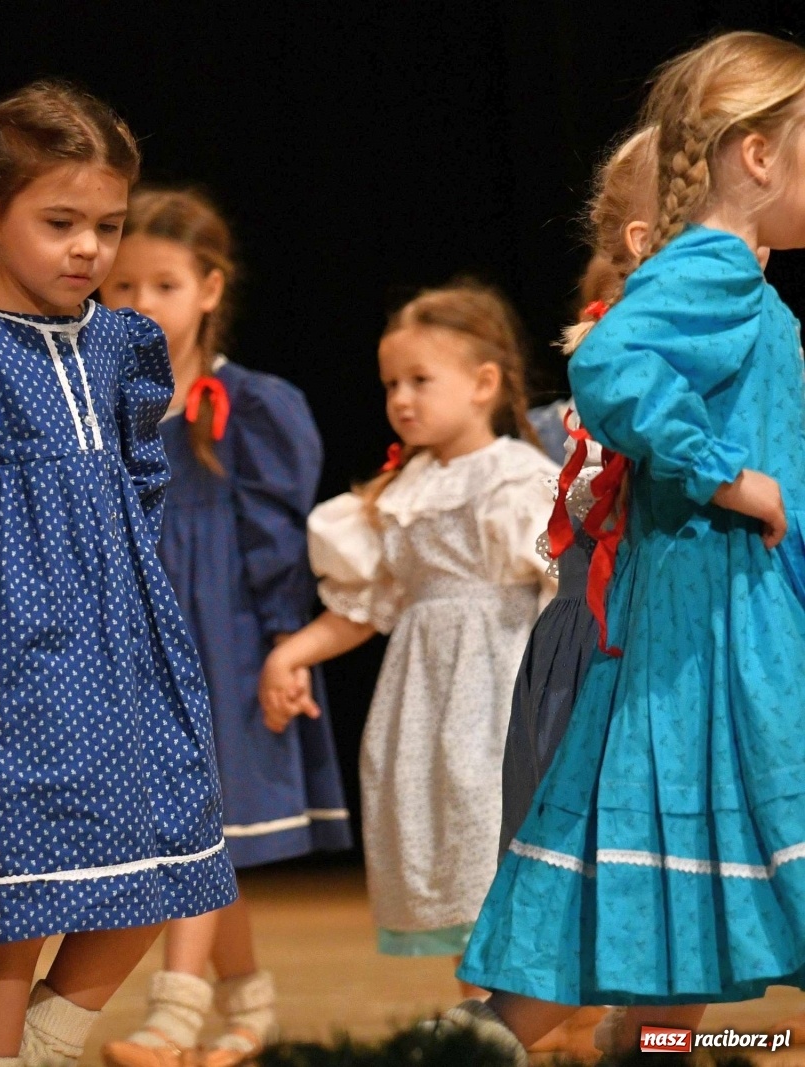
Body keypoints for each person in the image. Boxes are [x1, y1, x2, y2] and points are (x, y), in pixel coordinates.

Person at [0, 82, 237, 1067]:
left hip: (123, 643)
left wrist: (122, 581)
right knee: (19, 898)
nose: (88, 249)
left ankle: (46, 1041)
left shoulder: (120, 343)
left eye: (106, 226)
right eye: (59, 221)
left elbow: (139, 479)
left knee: (173, 860)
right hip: (11, 659)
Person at [449, 31, 805, 1062]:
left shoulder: (737, 277)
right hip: (716, 623)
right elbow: (611, 360)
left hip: (722, 612)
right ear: (753, 153)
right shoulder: (714, 268)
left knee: (662, 902)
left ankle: (620, 1049)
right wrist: (723, 472)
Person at [98, 188, 350, 1067]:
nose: (137, 305)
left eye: (161, 284)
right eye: (121, 286)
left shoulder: (256, 407)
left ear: (209, 288)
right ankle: (251, 1005)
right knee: (204, 833)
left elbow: (278, 547)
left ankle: (177, 1009)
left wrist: (286, 651)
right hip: (135, 647)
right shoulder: (101, 405)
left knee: (201, 831)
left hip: (228, 646)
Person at [261, 281, 558, 992]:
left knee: (500, 831)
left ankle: (538, 1006)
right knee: (454, 843)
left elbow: (561, 586)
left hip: (500, 691)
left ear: (484, 383)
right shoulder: (402, 493)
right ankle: (483, 1002)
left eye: (421, 380)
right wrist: (292, 651)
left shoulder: (517, 479)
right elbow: (371, 603)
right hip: (427, 699)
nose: (401, 398)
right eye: (392, 382)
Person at [491, 126, 659, 1058]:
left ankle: (648, 1042)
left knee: (685, 887)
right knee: (598, 867)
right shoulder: (622, 387)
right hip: (610, 647)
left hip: (672, 648)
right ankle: (494, 1035)